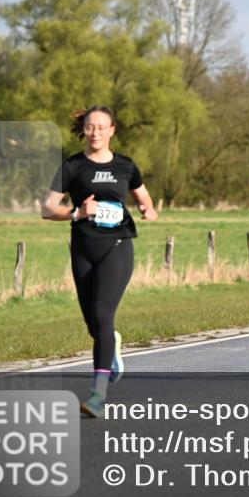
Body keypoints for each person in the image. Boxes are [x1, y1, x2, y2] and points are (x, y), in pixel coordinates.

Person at [42, 107, 159, 416]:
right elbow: (46, 208)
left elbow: (143, 197)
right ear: (84, 130)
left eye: (101, 127)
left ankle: (97, 395)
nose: (95, 132)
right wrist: (78, 213)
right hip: (82, 247)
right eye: (90, 127)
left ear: (111, 130)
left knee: (102, 313)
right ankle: (112, 349)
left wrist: (148, 211)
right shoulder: (71, 166)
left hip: (117, 246)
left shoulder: (126, 166)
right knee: (93, 323)